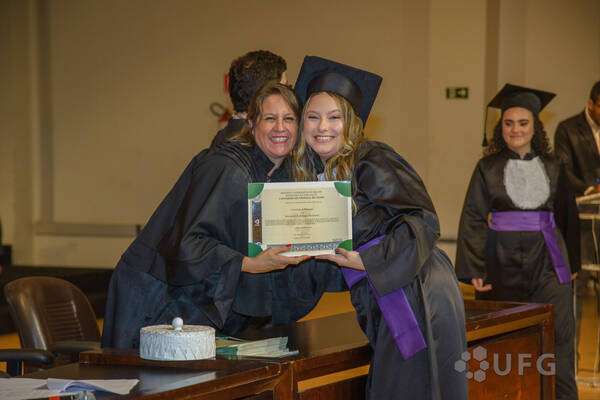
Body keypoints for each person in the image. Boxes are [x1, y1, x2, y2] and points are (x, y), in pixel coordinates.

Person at [102, 81, 345, 348]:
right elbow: (187, 243)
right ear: (252, 124)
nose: (280, 128)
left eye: (289, 119)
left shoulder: (283, 175)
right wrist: (248, 264)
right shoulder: (226, 168)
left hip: (203, 302)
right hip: (157, 295)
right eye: (270, 118)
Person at [292, 56, 468, 400]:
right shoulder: (317, 174)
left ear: (351, 122)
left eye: (334, 117)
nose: (322, 126)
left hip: (413, 286)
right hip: (384, 286)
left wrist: (368, 261)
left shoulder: (371, 158)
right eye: (312, 116)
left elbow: (421, 218)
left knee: (407, 389)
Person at [455, 83, 580, 400]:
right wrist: (474, 268)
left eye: (523, 123)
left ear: (535, 126)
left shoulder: (554, 166)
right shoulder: (487, 167)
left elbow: (568, 215)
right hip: (501, 262)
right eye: (508, 123)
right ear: (501, 128)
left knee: (558, 338)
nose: (515, 130)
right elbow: (473, 216)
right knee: (502, 340)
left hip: (549, 262)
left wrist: (573, 264)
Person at [554, 79, 600, 369]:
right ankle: (573, 358)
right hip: (582, 221)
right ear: (591, 104)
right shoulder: (568, 129)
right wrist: (590, 189)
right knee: (578, 289)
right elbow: (562, 170)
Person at [210, 50, 287, 148]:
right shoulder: (251, 144)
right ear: (265, 94)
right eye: (285, 88)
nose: (289, 96)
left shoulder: (230, 136)